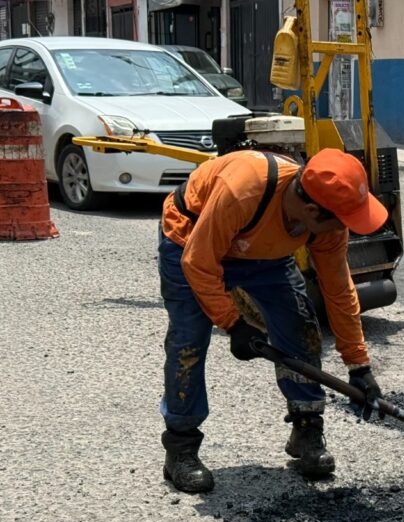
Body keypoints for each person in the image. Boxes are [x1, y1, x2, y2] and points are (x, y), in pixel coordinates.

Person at [158, 148, 388, 493]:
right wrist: (232, 323)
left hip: (266, 254)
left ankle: (307, 430)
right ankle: (181, 447)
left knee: (300, 327)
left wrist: (359, 364)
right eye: (342, 221)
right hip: (191, 240)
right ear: (312, 211)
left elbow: (338, 290)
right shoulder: (243, 191)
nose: (345, 228)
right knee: (188, 341)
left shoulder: (325, 224)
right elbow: (198, 263)